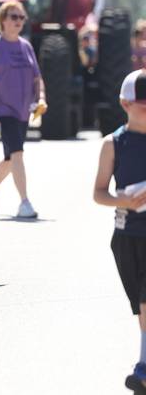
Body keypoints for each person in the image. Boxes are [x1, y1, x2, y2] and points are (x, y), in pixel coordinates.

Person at [92, 69, 146, 392]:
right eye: (142, 103)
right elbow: (98, 193)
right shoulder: (114, 144)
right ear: (125, 103)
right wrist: (121, 199)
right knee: (139, 302)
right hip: (127, 237)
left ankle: (143, 366)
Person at [0, 0, 46, 218]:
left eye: (21, 17)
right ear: (2, 21)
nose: (18, 21)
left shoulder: (26, 46)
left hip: (24, 110)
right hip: (3, 109)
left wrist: (41, 97)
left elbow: (37, 78)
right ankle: (25, 203)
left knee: (10, 158)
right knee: (17, 153)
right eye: (14, 17)